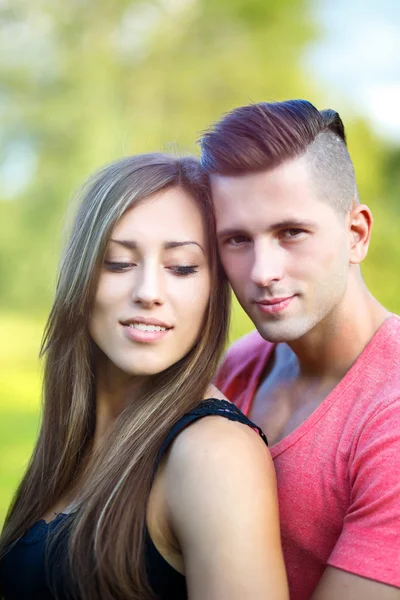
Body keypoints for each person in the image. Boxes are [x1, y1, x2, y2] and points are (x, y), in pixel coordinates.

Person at [0, 154, 289, 600]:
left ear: (214, 289)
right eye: (118, 263)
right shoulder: (73, 443)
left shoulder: (213, 454)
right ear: (81, 277)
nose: (149, 293)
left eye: (181, 268)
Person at [199, 100, 400, 600]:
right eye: (237, 240)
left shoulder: (392, 414)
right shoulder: (238, 366)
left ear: (356, 234)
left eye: (291, 233)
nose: (263, 272)